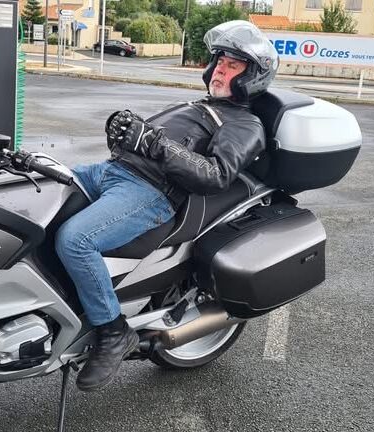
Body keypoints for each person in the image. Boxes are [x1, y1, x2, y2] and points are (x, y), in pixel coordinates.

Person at [55, 20, 279, 392]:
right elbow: (152, 144)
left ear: (251, 77)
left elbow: (215, 174)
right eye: (219, 62)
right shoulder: (200, 105)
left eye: (232, 66)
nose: (220, 70)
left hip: (150, 192)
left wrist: (156, 144)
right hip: (111, 171)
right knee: (40, 191)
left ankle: (113, 331)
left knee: (75, 240)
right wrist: (126, 134)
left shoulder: (244, 124)